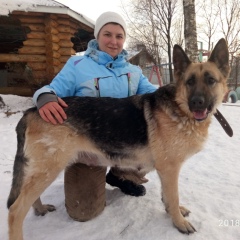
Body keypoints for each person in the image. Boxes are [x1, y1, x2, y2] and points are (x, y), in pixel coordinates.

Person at [33, 11, 157, 221]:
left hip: (123, 146)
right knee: (84, 212)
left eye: (119, 36)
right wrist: (44, 97)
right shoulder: (77, 66)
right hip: (86, 149)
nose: (113, 41)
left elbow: (156, 97)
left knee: (153, 145)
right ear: (97, 37)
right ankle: (86, 178)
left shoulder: (134, 71)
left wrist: (183, 97)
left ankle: (121, 175)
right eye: (107, 34)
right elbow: (53, 89)